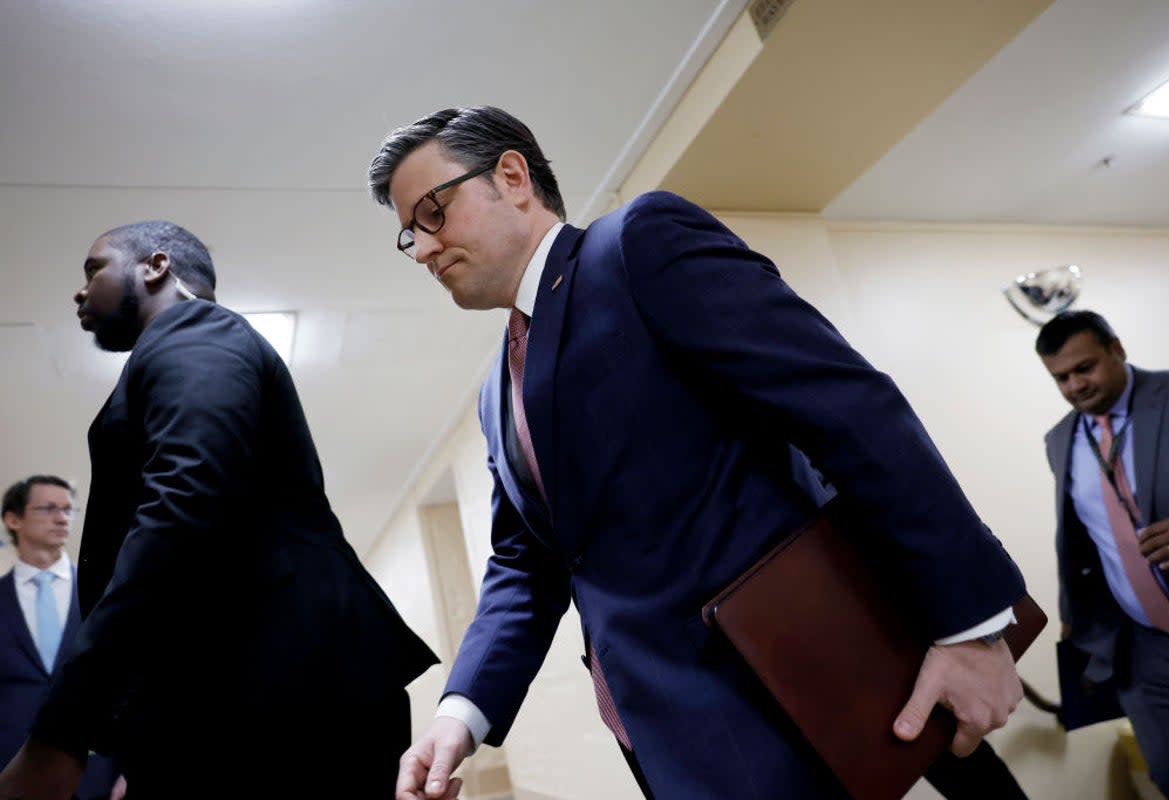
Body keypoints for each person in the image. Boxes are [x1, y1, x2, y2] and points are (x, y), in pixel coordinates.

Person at [368, 106, 1027, 800]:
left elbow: (847, 409)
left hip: (822, 691)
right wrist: (460, 714)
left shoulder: (635, 247)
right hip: (675, 742)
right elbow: (526, 566)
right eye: (411, 235)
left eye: (433, 212)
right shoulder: (495, 399)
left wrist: (971, 627)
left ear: (511, 176)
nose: (425, 247)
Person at [0, 221, 438, 800]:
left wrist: (61, 732)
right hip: (255, 698)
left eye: (93, 270)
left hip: (277, 699)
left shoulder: (193, 330)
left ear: (155, 266)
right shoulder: (190, 344)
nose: (80, 293)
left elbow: (184, 503)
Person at [1037, 310, 1169, 799]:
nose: (1074, 386)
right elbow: (1082, 540)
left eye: (1085, 368)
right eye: (1060, 378)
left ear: (1118, 349)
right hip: (1148, 649)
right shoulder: (1059, 439)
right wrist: (1074, 617)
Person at [1, 476, 122, 800]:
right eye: (49, 508)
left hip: (96, 775)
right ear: (13, 519)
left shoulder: (107, 594)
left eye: (69, 509)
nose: (62, 518)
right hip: (13, 774)